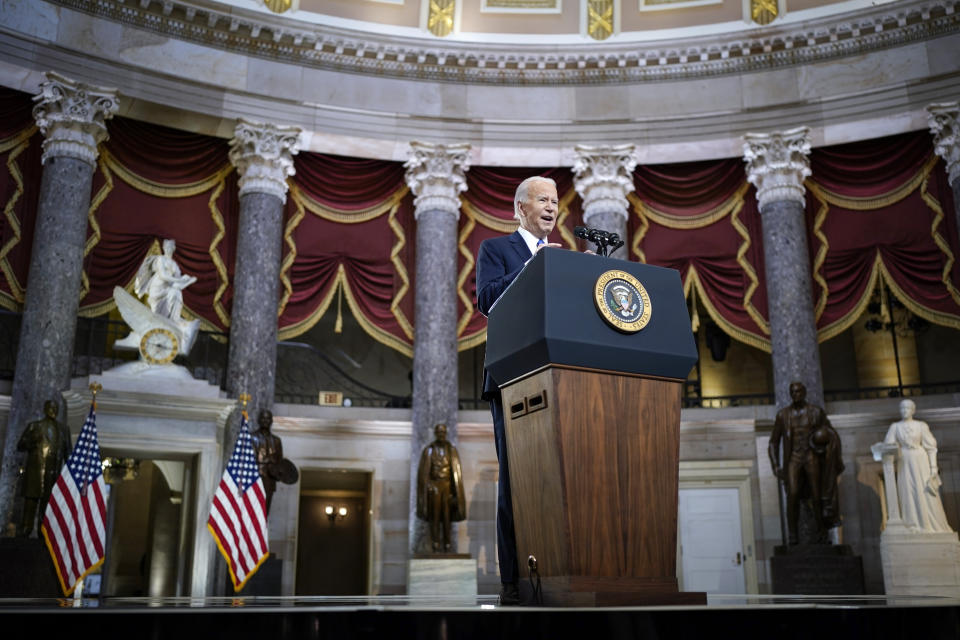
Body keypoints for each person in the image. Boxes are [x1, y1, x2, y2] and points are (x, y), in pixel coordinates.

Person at [475, 175, 562, 605]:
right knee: (514, 480)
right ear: (521, 208)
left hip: (559, 376)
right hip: (512, 379)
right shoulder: (497, 250)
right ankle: (511, 579)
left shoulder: (562, 259)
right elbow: (487, 299)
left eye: (556, 201)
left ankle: (560, 567)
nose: (552, 207)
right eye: (543, 200)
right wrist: (533, 269)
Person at [768, 381, 844, 545]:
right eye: (793, 392)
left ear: (804, 392)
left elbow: (832, 434)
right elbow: (773, 442)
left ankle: (822, 533)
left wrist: (826, 441)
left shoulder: (816, 412)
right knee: (793, 494)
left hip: (810, 456)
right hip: (794, 458)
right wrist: (775, 465)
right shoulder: (783, 415)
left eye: (798, 391)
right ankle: (793, 535)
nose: (796, 395)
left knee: (817, 495)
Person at [883, 399, 953, 533]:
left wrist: (933, 468)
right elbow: (888, 445)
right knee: (907, 491)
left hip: (920, 460)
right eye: (902, 408)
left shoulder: (921, 425)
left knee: (925, 491)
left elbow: (931, 447)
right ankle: (912, 524)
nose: (904, 411)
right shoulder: (895, 426)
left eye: (908, 408)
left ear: (913, 410)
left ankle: (931, 525)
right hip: (904, 460)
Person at [17, 400, 71, 536]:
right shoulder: (34, 426)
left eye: (56, 408)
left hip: (53, 474)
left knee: (47, 508)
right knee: (30, 504)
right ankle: (25, 531)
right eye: (51, 407)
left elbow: (68, 454)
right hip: (35, 473)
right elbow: (20, 446)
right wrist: (32, 440)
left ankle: (44, 535)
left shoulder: (64, 430)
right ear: (45, 409)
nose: (53, 410)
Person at [416, 423, 466, 552]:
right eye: (439, 432)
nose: (441, 435)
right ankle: (435, 543)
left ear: (446, 433)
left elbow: (456, 472)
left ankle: (448, 544)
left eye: (443, 432)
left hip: (448, 486)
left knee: (447, 516)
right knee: (435, 516)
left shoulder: (451, 450)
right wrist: (429, 486)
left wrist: (455, 493)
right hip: (434, 486)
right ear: (435, 434)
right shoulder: (429, 450)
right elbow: (423, 473)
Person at [134, 238, 197, 321]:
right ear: (163, 248)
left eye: (170, 247)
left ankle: (173, 319)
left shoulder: (175, 265)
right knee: (158, 314)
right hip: (156, 290)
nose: (168, 249)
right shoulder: (161, 259)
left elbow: (177, 286)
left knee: (177, 293)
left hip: (166, 290)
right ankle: (164, 319)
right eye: (166, 247)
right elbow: (163, 276)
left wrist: (188, 281)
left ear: (173, 249)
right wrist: (181, 280)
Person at [250, 409, 284, 517]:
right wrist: (268, 460)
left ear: (271, 421)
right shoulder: (251, 437)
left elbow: (280, 461)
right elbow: (250, 458)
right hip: (255, 479)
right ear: (259, 420)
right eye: (263, 418)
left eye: (268, 418)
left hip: (270, 480)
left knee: (265, 513)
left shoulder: (276, 440)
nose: (265, 420)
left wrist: (279, 474)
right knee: (252, 511)